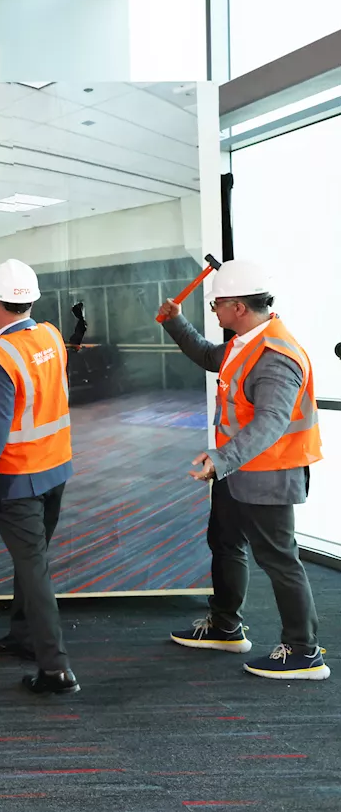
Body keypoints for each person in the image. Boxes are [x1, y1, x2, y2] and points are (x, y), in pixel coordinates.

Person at [159, 259, 327, 680]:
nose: (213, 312)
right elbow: (209, 355)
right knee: (225, 541)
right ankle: (225, 625)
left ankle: (304, 652)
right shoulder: (245, 342)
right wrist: (176, 323)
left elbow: (271, 423)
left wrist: (221, 459)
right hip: (238, 471)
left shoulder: (275, 355)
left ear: (236, 306)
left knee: (279, 559)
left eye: (216, 305)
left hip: (271, 473)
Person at [0, 259, 78, 695]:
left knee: (33, 567)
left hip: (18, 476)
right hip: (55, 467)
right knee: (32, 560)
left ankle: (55, 669)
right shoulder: (49, 335)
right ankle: (24, 637)